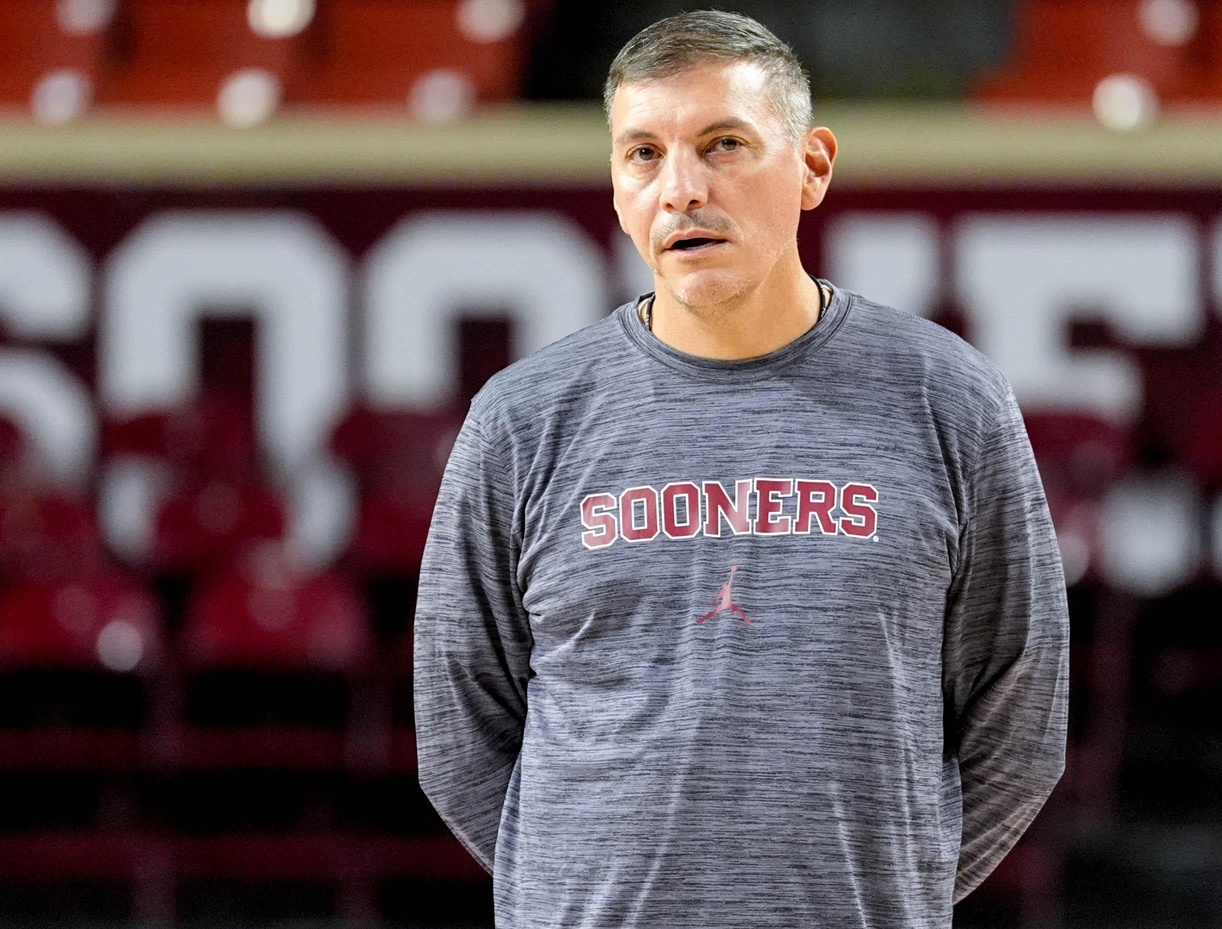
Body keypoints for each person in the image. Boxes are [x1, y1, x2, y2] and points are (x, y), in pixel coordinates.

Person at [414, 10, 1069, 928]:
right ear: (613, 185)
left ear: (812, 165)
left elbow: (1020, 715)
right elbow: (458, 737)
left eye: (723, 144)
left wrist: (890, 886)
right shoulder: (522, 420)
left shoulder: (948, 399)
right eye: (643, 154)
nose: (680, 188)